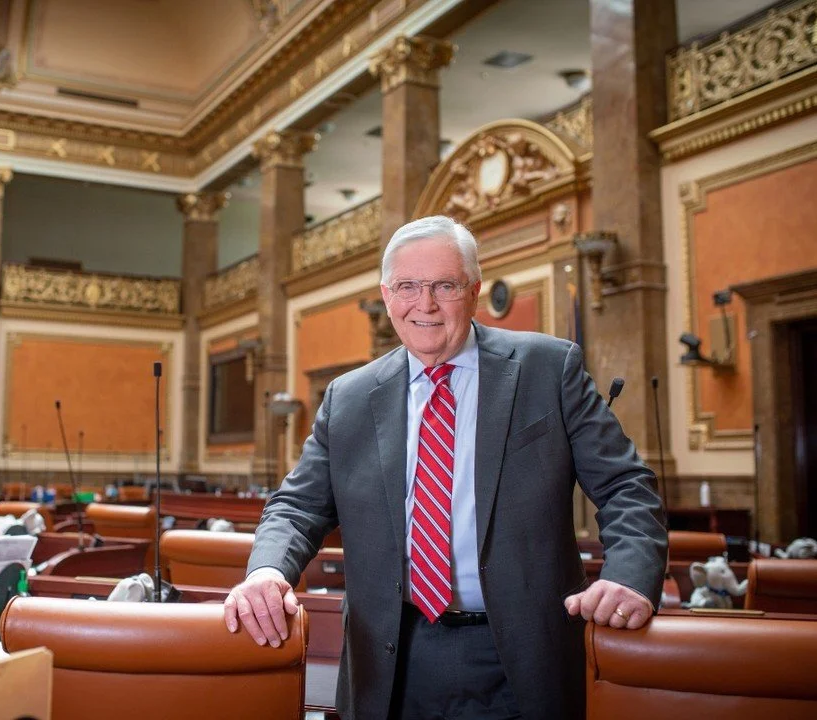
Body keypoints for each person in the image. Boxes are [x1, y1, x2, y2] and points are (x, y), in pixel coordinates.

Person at [223, 215, 667, 720]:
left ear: (474, 290)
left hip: (523, 655)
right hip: (391, 659)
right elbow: (297, 506)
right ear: (387, 295)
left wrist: (630, 576)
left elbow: (626, 485)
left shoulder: (549, 369)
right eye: (408, 287)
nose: (425, 304)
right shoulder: (348, 398)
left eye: (444, 286)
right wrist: (265, 571)